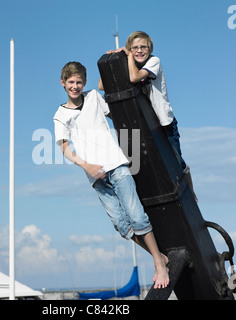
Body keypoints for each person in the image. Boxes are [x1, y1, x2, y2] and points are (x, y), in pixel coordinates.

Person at [54, 61, 169, 289]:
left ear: (84, 83)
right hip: (96, 177)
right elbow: (65, 148)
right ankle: (159, 255)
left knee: (136, 216)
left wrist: (120, 55)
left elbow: (115, 108)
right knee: (121, 225)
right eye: (71, 82)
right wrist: (87, 166)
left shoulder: (95, 97)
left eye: (78, 82)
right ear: (63, 83)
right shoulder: (60, 115)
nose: (75, 86)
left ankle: (159, 261)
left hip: (115, 164)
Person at [98, 31, 197, 201]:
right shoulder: (131, 62)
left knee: (177, 163)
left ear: (150, 49)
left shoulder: (154, 61)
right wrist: (115, 61)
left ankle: (191, 195)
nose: (139, 51)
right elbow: (101, 86)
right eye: (135, 48)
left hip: (165, 123)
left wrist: (128, 55)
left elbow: (134, 77)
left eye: (143, 47)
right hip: (149, 124)